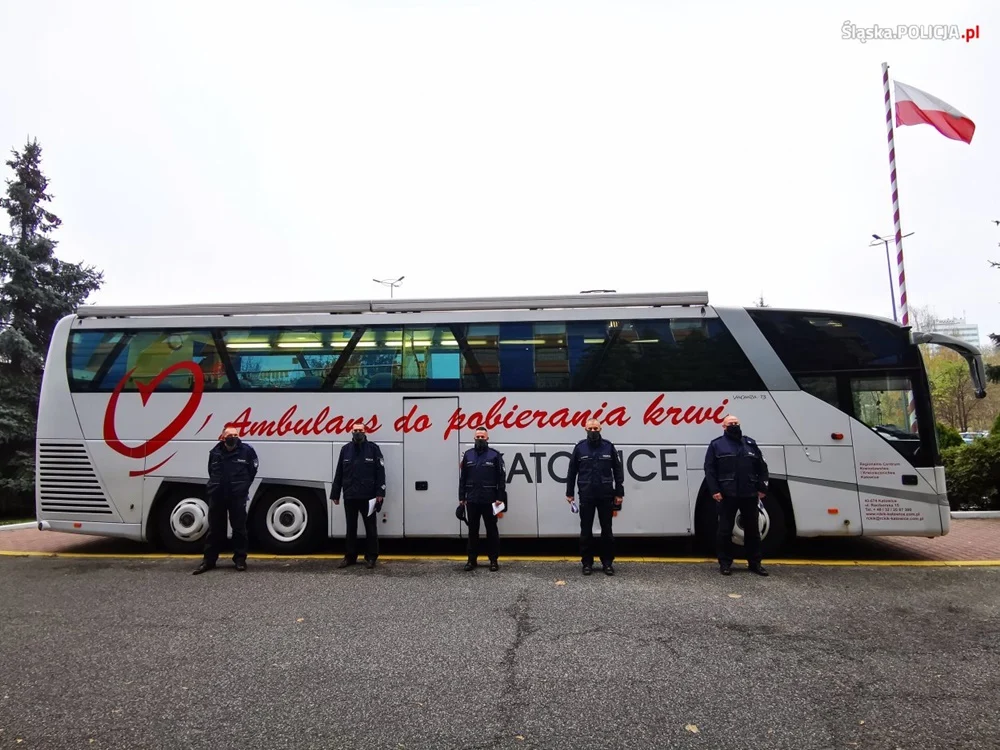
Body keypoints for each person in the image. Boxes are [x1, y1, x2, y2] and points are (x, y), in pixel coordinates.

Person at [704, 414, 770, 577]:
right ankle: (725, 564)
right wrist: (715, 490)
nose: (734, 425)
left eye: (736, 423)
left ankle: (755, 563)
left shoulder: (750, 444)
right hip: (728, 494)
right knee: (725, 531)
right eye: (730, 423)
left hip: (749, 493)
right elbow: (710, 469)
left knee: (753, 531)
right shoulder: (717, 445)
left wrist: (762, 488)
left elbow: (762, 467)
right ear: (724, 427)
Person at [193, 426, 259, 575]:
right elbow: (211, 471)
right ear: (223, 437)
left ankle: (240, 560)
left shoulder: (247, 451)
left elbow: (252, 471)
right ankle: (209, 560)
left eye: (235, 435)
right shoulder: (215, 452)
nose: (233, 437)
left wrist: (242, 486)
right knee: (215, 529)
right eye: (230, 435)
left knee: (239, 528)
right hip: (217, 495)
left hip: (237, 495)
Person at [565, 418, 623, 576]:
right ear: (585, 428)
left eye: (596, 428)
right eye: (590, 428)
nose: (593, 431)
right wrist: (569, 493)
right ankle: (587, 564)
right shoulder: (580, 448)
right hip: (586, 495)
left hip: (605, 495)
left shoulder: (609, 447)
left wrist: (619, 493)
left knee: (607, 531)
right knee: (585, 531)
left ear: (601, 428)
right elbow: (571, 472)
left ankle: (607, 563)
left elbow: (618, 471)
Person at [331, 421, 386, 569]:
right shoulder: (345, 450)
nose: (357, 433)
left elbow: (380, 472)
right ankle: (350, 557)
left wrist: (380, 492)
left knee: (371, 528)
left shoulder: (373, 449)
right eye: (355, 430)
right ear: (351, 432)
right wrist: (335, 494)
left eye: (360, 430)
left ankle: (371, 557)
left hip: (368, 497)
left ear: (365, 431)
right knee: (350, 528)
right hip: (350, 496)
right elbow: (339, 473)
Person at [458, 428, 507, 572]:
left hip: (490, 500)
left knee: (492, 531)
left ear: (487, 438)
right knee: (472, 531)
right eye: (477, 436)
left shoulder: (495, 455)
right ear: (474, 438)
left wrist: (500, 497)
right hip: (472, 500)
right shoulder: (468, 455)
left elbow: (501, 479)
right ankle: (471, 560)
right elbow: (463, 479)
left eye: (482, 436)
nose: (480, 438)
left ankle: (493, 560)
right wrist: (462, 497)